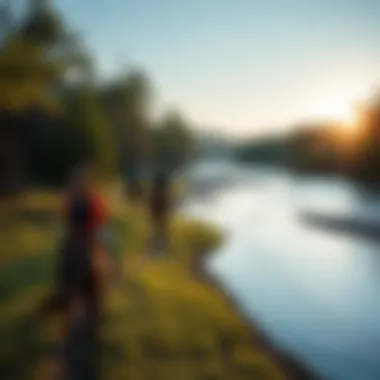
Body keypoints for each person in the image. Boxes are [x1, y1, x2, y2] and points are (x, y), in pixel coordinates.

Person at [149, 170, 171, 253]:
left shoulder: (155, 190)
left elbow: (151, 201)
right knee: (161, 229)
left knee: (157, 229)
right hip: (160, 211)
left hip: (157, 211)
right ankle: (160, 247)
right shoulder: (163, 191)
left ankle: (157, 247)